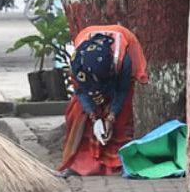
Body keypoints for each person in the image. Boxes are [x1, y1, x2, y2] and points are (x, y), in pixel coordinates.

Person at [58, 25, 148, 177]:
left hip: (126, 45)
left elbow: (122, 91)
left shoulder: (123, 60)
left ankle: (118, 163)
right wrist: (94, 118)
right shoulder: (77, 63)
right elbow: (80, 91)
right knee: (77, 113)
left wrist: (111, 117)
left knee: (122, 115)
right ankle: (80, 164)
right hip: (91, 60)